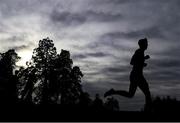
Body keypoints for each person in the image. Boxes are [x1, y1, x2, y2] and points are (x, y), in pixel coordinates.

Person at [104, 38, 152, 109]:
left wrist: (143, 59)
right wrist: (142, 62)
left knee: (130, 94)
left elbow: (137, 61)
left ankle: (113, 92)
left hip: (135, 75)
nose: (147, 45)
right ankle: (149, 109)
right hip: (137, 75)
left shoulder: (140, 52)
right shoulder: (139, 51)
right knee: (147, 92)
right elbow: (132, 62)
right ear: (143, 45)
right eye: (146, 43)